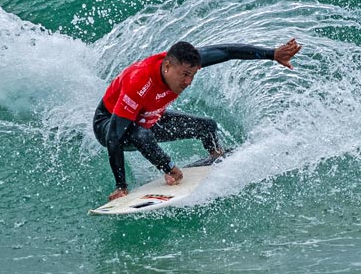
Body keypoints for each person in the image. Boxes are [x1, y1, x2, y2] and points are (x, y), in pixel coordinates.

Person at [94, 38, 303, 201]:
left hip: (148, 118)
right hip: (109, 123)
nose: (188, 81)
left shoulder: (187, 63)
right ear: (167, 67)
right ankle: (170, 170)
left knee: (207, 127)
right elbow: (114, 137)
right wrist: (121, 186)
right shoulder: (139, 81)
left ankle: (215, 158)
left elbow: (227, 52)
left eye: (192, 75)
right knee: (140, 134)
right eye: (184, 75)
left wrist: (273, 54)